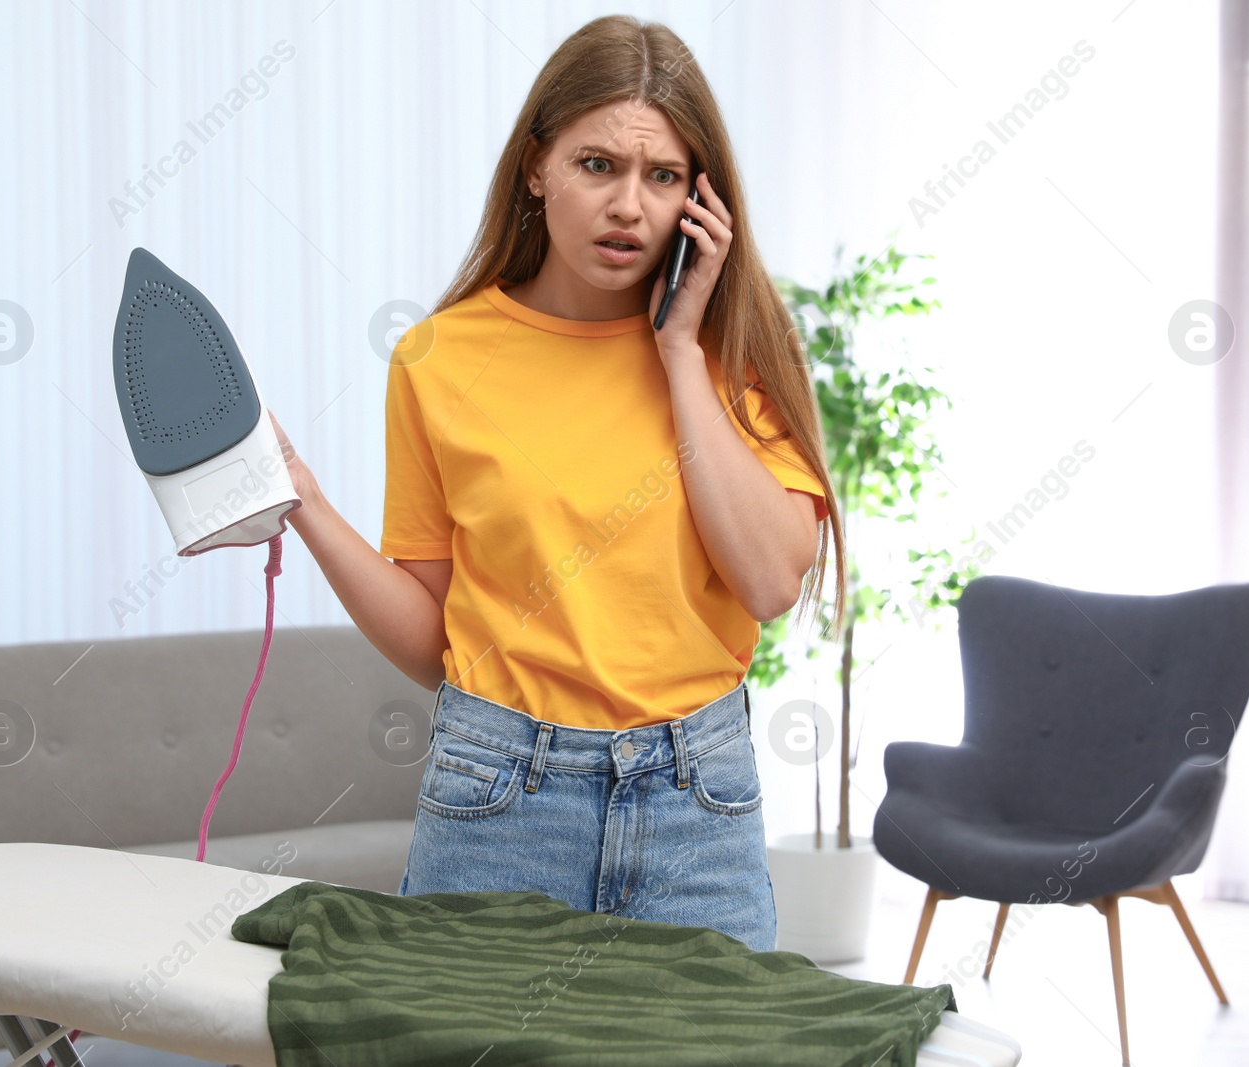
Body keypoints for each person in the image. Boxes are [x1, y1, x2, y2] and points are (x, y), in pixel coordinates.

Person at [268, 14, 845, 953]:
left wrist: (678, 353)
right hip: (500, 797)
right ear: (537, 165)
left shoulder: (735, 353)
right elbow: (436, 640)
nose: (630, 206)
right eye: (597, 166)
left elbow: (773, 582)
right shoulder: (439, 360)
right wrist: (307, 504)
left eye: (662, 176)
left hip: (697, 802)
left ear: (699, 197)